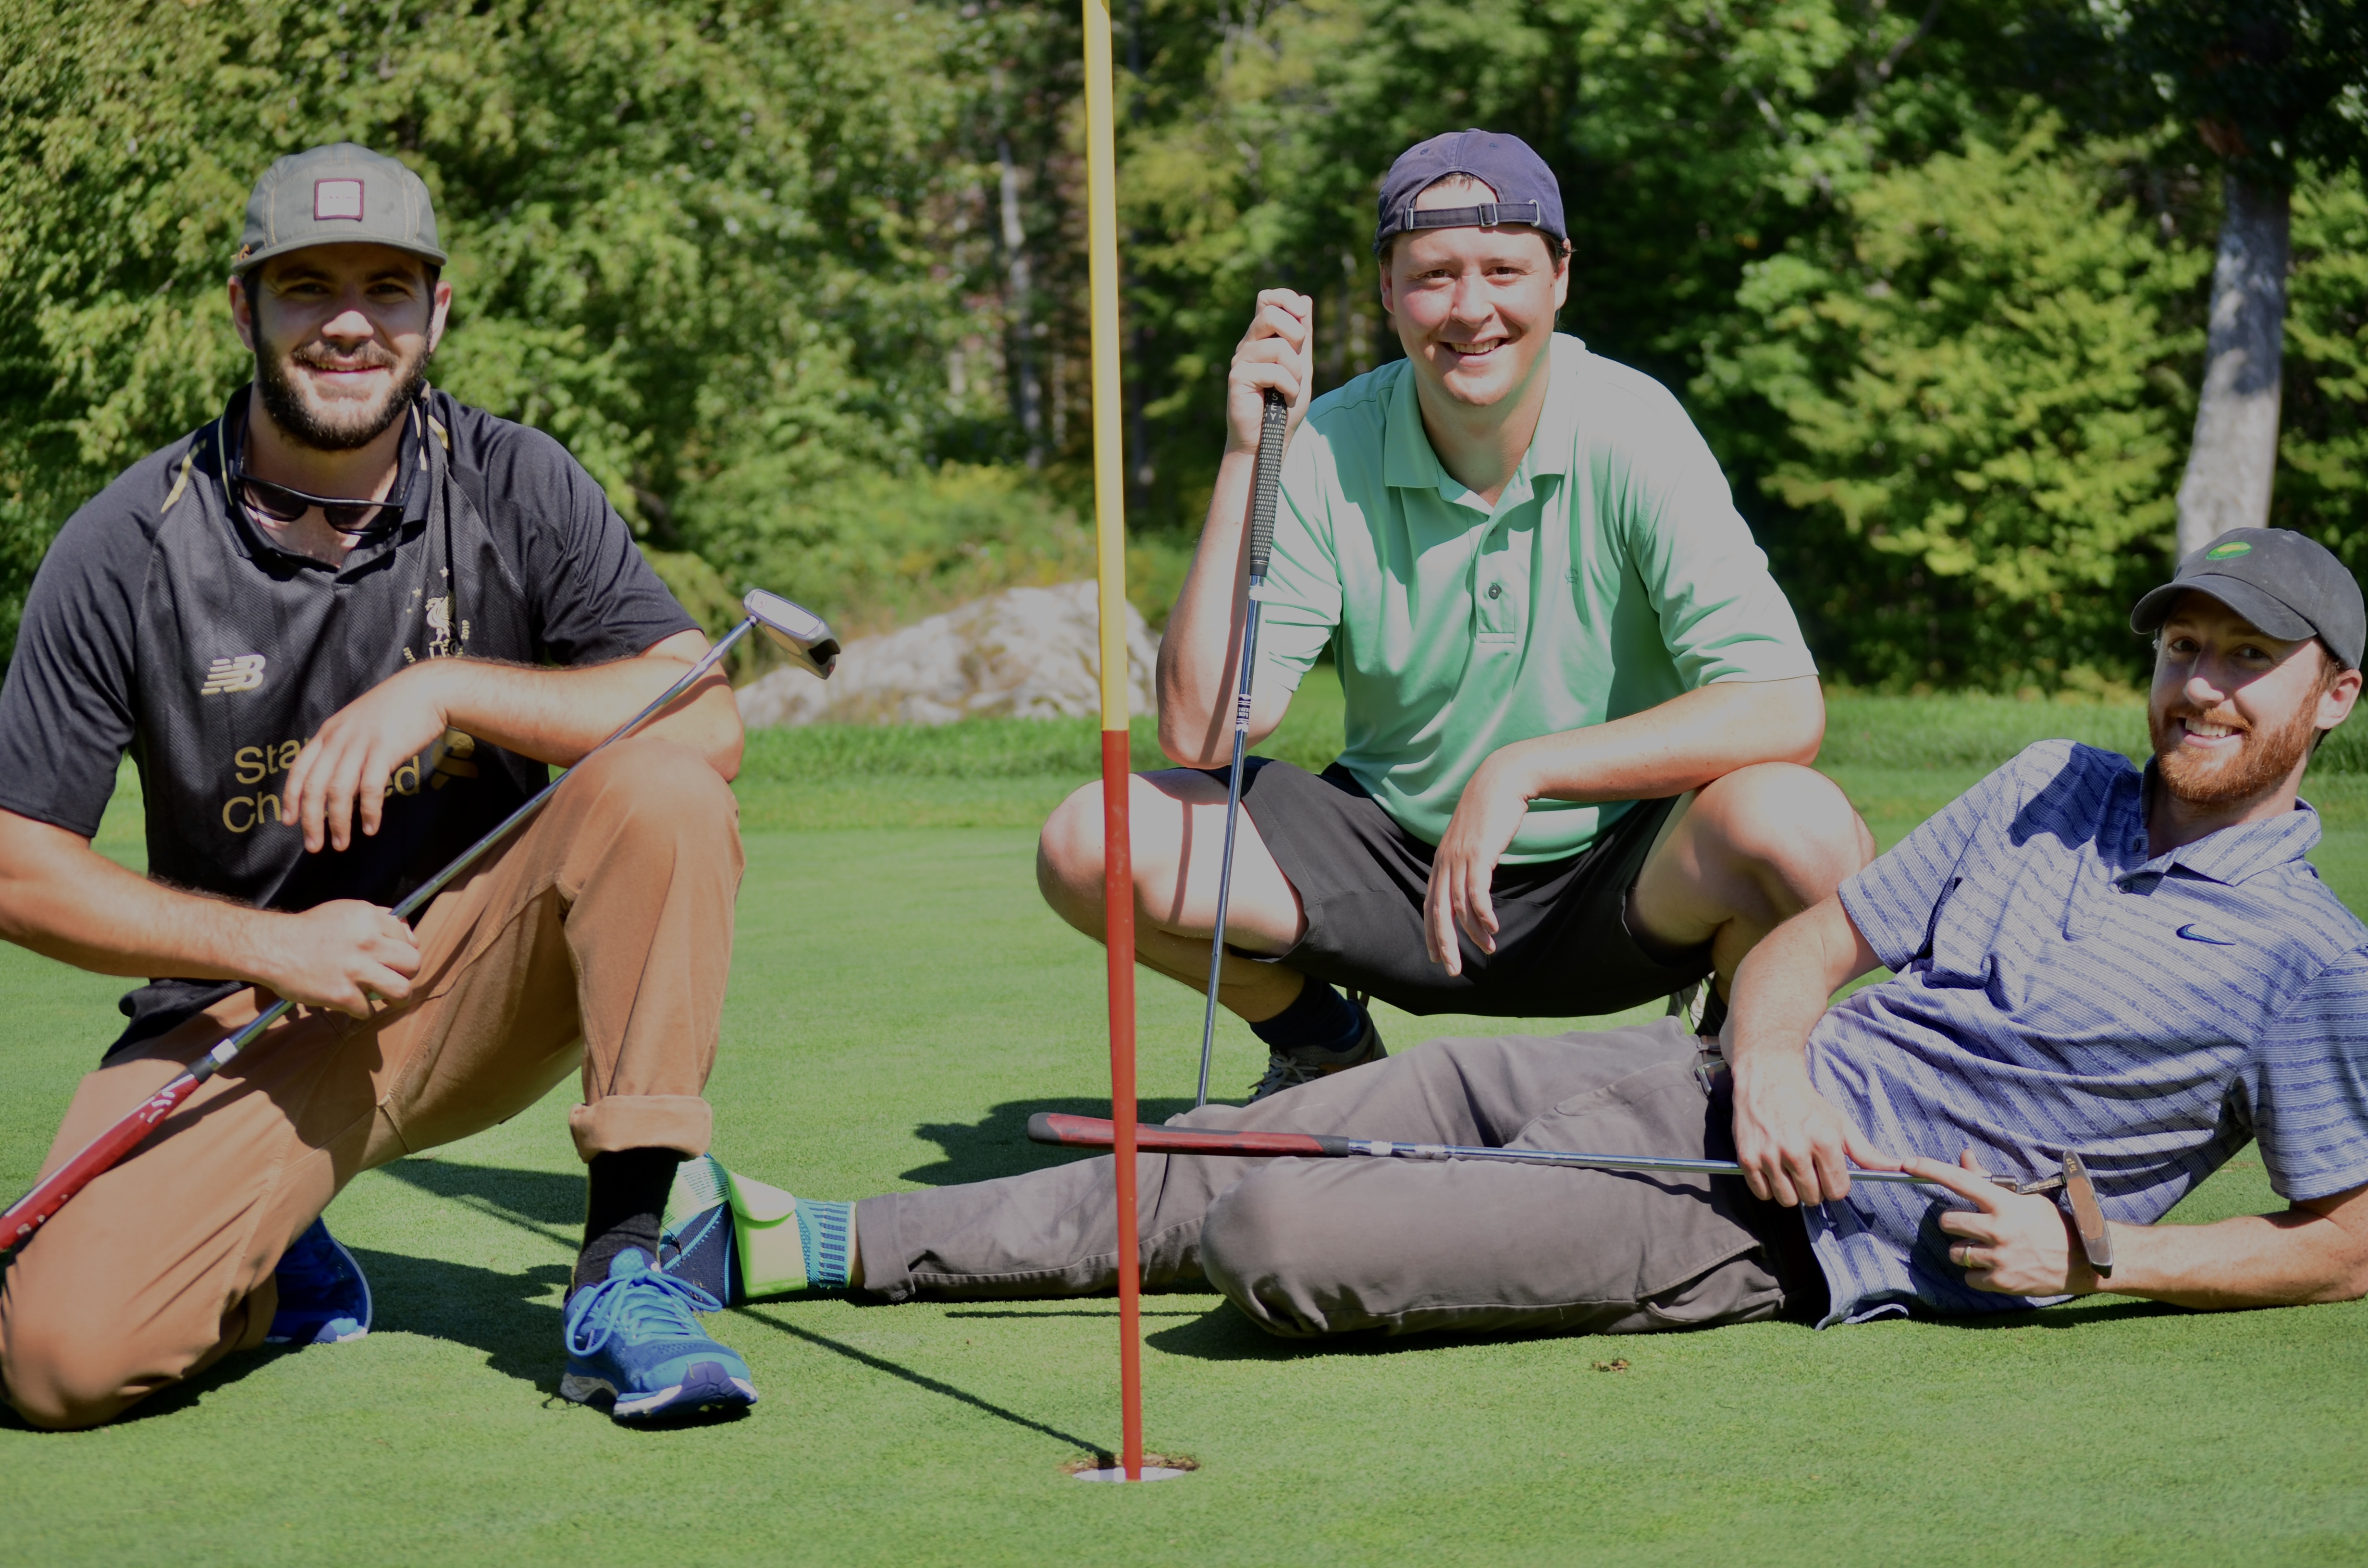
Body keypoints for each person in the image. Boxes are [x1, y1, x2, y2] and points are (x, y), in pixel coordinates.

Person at [691, 529, 2368, 1338]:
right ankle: (807, 1241)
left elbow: (2348, 1236)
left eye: (2248, 660)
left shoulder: (2303, 957)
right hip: (1689, 1085)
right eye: (2183, 649)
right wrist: (1775, 1060)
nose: (2199, 687)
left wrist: (2105, 1257)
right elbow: (1811, 943)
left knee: (1271, 1231)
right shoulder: (2051, 782)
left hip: (1778, 1230)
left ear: (2335, 697)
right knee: (1244, 1138)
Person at [0, 144, 761, 1429]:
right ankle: (273, 1254)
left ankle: (626, 1269)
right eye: (308, 287)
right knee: (58, 1363)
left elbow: (710, 717)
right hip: (251, 1014)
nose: (349, 323)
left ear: (435, 312)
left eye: (386, 288)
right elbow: (18, 868)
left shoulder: (515, 481)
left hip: (479, 983)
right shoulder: (128, 542)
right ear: (244, 306)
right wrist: (272, 947)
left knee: (664, 784)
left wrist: (448, 689)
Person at [1036, 128, 1873, 1101]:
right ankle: (1323, 1042)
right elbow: (1201, 730)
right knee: (1092, 843)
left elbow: (1781, 706)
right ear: (1388, 291)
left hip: (1622, 885)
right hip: (1393, 880)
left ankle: (1733, 1070)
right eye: (1434, 275)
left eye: (1503, 271)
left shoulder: (1634, 426)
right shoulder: (1325, 445)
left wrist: (1524, 771)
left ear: (1560, 278)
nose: (1471, 308)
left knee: (1808, 831)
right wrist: (1247, 457)